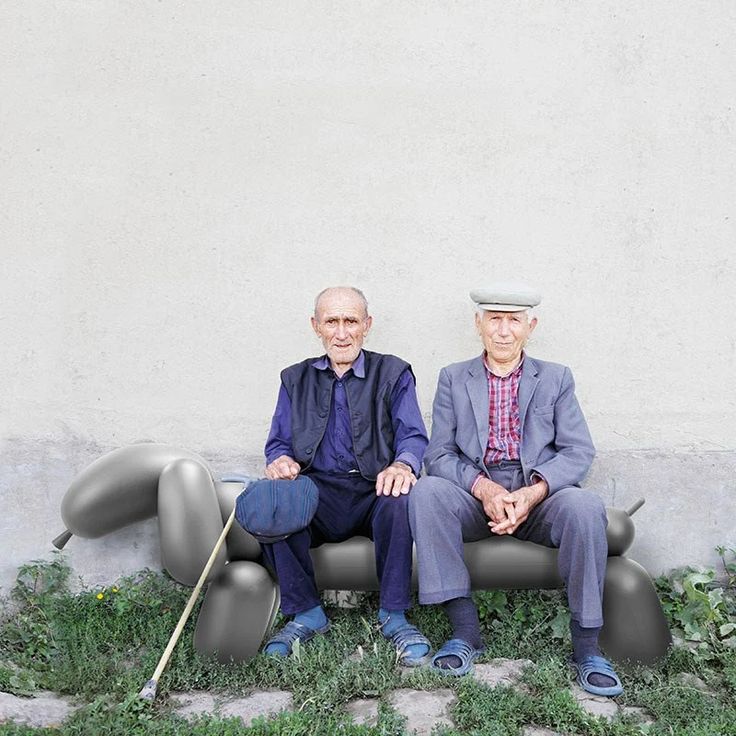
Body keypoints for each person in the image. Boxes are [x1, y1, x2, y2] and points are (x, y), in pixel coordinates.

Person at [408, 283, 623, 696]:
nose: (503, 331)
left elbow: (578, 451)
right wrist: (484, 488)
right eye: (494, 319)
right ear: (478, 324)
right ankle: (465, 632)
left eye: (514, 321)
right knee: (427, 492)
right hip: (475, 493)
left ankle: (587, 647)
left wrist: (533, 492)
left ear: (531, 326)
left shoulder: (556, 378)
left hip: (538, 495)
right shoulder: (453, 378)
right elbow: (438, 453)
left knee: (584, 505)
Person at [261, 286, 431, 665]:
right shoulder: (294, 378)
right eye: (332, 321)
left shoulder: (394, 372)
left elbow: (413, 435)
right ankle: (306, 612)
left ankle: (394, 614)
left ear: (366, 325)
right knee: (276, 503)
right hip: (318, 491)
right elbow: (277, 443)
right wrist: (281, 462)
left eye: (351, 321)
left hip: (373, 488)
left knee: (400, 497)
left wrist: (402, 465)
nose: (342, 332)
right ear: (316, 326)